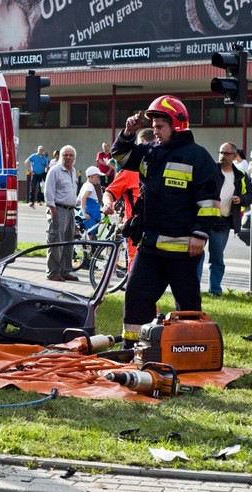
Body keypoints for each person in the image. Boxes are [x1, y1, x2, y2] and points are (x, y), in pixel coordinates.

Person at [111, 95, 220, 348]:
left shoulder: (197, 157)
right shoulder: (150, 152)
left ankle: (191, 348)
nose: (156, 132)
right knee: (136, 294)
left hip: (183, 249)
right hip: (150, 247)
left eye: (160, 127)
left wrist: (200, 235)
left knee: (188, 305)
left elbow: (209, 202)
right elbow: (121, 156)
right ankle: (136, 347)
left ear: (177, 125)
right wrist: (128, 132)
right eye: (155, 127)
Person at [197, 142, 252, 296]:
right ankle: (193, 289)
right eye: (221, 152)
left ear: (235, 156)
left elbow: (250, 195)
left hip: (222, 222)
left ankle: (215, 291)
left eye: (227, 153)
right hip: (203, 219)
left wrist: (241, 199)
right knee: (197, 255)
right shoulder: (210, 170)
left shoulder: (241, 175)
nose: (222, 156)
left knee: (217, 258)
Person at [103, 128, 156, 266]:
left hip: (160, 231)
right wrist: (108, 203)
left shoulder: (164, 168)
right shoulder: (129, 171)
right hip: (136, 231)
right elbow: (110, 192)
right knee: (136, 274)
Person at [43, 145, 79, 282]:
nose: (68, 157)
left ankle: (65, 270)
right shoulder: (55, 170)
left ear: (74, 158)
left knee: (69, 241)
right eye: (65, 155)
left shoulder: (73, 171)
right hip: (58, 209)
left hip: (70, 210)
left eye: (71, 155)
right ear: (60, 156)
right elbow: (48, 192)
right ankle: (53, 272)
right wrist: (52, 209)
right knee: (56, 241)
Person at [77, 166, 103, 238]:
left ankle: (87, 247)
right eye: (97, 177)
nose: (99, 178)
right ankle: (90, 248)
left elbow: (78, 201)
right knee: (91, 234)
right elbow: (83, 198)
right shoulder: (90, 186)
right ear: (91, 177)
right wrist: (84, 212)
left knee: (87, 234)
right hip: (91, 215)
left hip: (86, 214)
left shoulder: (84, 185)